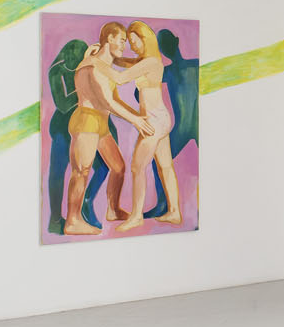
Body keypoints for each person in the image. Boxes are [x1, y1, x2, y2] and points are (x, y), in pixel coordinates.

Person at [64, 22, 151, 236]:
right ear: (110, 38)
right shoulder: (92, 66)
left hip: (100, 124)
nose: (124, 45)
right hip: (87, 121)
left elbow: (115, 100)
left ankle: (113, 209)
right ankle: (72, 221)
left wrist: (138, 115)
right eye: (121, 40)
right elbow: (107, 102)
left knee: (118, 167)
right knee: (81, 170)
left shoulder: (103, 66)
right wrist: (135, 120)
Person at [106, 20, 183, 230]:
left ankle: (136, 216)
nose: (132, 46)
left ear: (145, 39)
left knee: (137, 168)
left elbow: (120, 78)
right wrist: (109, 54)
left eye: (134, 41)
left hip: (154, 121)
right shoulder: (148, 61)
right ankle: (175, 212)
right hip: (160, 118)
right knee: (165, 166)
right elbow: (124, 62)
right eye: (130, 42)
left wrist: (97, 63)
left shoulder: (150, 62)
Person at [46, 38, 111, 233]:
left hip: (87, 124)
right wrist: (85, 85)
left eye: (79, 58)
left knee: (105, 166)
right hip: (63, 127)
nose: (74, 61)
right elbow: (63, 105)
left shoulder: (88, 68)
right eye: (72, 58)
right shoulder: (56, 71)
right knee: (58, 172)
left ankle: (86, 202)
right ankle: (55, 219)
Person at [141, 27, 197, 218]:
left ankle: (163, 204)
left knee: (159, 161)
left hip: (185, 127)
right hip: (190, 127)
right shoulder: (194, 65)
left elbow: (141, 88)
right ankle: (163, 205)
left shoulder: (171, 71)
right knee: (160, 160)